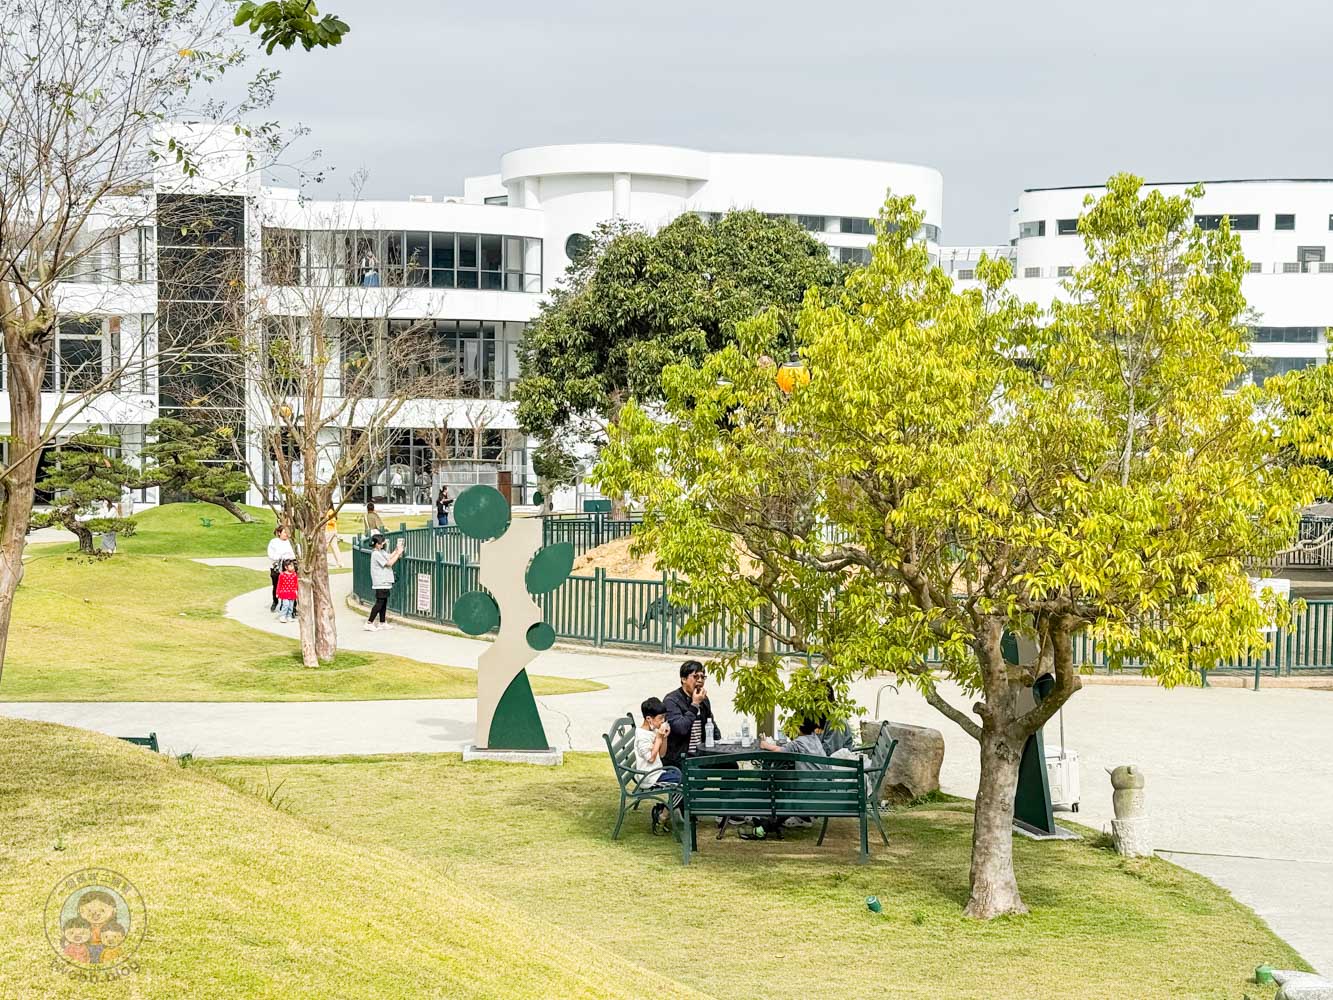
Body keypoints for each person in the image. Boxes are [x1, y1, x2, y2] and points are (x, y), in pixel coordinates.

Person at [662, 660, 721, 768]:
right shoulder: (671, 701)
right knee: (697, 774)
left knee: (731, 765)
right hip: (681, 757)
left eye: (703, 677)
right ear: (683, 679)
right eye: (695, 677)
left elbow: (710, 723)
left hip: (700, 754)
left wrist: (719, 743)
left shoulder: (704, 699)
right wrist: (694, 705)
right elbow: (681, 729)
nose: (700, 680)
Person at [634, 697, 681, 789]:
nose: (663, 720)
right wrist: (659, 738)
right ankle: (681, 803)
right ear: (649, 719)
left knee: (682, 772)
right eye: (660, 718)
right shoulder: (642, 737)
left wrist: (664, 738)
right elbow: (651, 758)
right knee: (684, 779)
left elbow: (662, 754)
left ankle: (679, 803)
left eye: (664, 717)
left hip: (657, 772)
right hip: (649, 777)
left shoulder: (653, 730)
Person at [366, 532, 405, 631]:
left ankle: (382, 622)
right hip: (380, 582)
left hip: (385, 581)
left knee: (384, 602)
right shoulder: (375, 554)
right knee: (379, 603)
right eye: (381, 543)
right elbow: (389, 563)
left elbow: (389, 556)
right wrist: (398, 554)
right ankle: (369, 622)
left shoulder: (381, 552)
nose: (383, 544)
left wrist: (396, 550)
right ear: (376, 544)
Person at [266, 526, 295, 613]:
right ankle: (275, 601)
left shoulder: (291, 542)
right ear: (279, 533)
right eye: (284, 532)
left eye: (287, 532)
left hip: (289, 566)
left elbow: (294, 554)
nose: (286, 534)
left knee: (290, 586)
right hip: (277, 567)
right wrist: (281, 555)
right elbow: (272, 555)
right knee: (276, 585)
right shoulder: (274, 542)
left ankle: (289, 606)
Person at [275, 559, 299, 623]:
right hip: (284, 593)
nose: (292, 567)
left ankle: (289, 616)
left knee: (291, 605)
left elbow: (296, 583)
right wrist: (277, 592)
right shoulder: (282, 575)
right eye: (291, 566)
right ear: (286, 567)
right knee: (286, 605)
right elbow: (279, 584)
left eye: (293, 566)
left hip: (292, 593)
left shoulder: (294, 575)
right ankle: (282, 616)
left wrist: (296, 591)